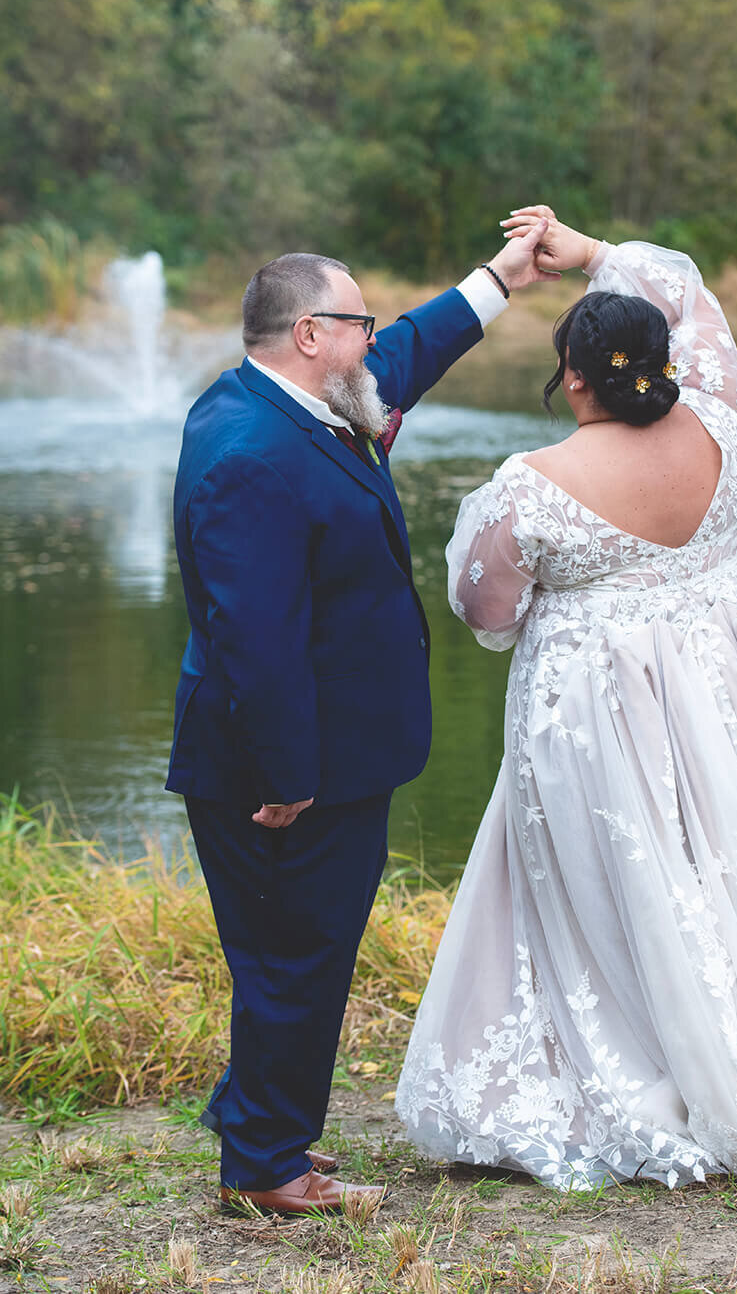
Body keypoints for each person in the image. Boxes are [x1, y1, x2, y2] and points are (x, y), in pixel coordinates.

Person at [396, 205, 737, 1196]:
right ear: (663, 364)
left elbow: (485, 605)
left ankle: (621, 1068)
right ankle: (731, 1061)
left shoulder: (531, 484)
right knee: (715, 875)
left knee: (602, 885)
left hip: (594, 714)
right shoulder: (722, 420)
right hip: (722, 697)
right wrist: (593, 253)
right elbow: (693, 300)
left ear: (572, 378)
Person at [166, 223, 557, 1215]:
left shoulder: (288, 400)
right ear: (309, 333)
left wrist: (500, 278)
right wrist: (285, 773)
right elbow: (254, 636)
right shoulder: (251, 453)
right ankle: (265, 1165)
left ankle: (260, 1125)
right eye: (359, 323)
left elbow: (406, 353)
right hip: (283, 768)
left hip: (330, 749)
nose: (374, 340)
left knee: (304, 947)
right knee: (293, 954)